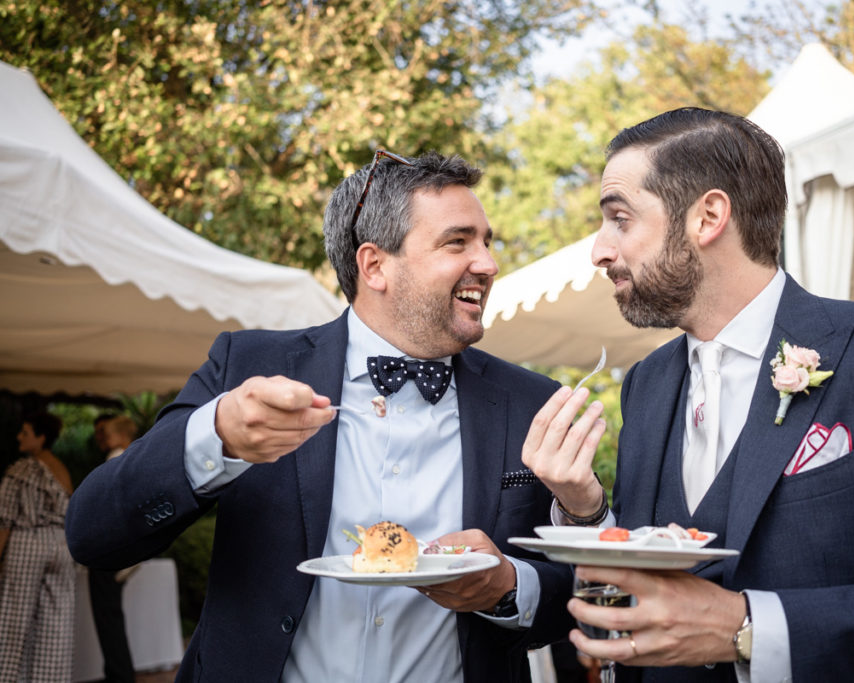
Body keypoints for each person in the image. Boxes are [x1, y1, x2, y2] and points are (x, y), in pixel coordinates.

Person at [523, 107, 854, 682]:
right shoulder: (645, 383)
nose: (599, 250)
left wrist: (746, 628)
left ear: (708, 216)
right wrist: (585, 509)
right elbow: (644, 573)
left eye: (620, 219)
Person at [65, 150, 574, 682]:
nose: (488, 263)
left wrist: (509, 587)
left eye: (486, 241)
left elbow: (578, 590)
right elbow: (94, 534)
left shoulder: (533, 402)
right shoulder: (249, 369)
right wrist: (216, 437)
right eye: (457, 241)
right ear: (374, 265)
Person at [0, 411, 75, 682]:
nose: (19, 437)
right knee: (56, 622)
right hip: (60, 543)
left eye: (25, 433)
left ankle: (6, 677)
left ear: (41, 438)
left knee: (13, 621)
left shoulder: (21, 469)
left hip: (27, 542)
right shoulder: (62, 469)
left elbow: (4, 518)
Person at [88, 414, 138, 683]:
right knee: (112, 617)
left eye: (105, 432)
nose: (101, 438)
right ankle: (120, 673)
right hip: (123, 552)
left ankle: (118, 675)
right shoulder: (134, 459)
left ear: (121, 434)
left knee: (108, 619)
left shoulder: (116, 458)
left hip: (109, 552)